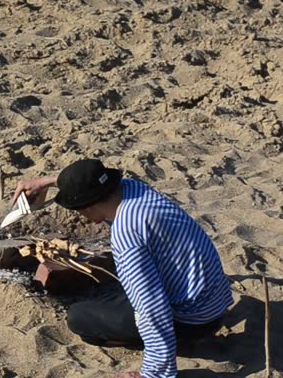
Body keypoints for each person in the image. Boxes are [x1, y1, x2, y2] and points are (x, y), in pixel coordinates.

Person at [13, 158, 233, 378]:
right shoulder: (133, 189)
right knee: (119, 293)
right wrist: (48, 182)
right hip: (215, 302)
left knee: (79, 318)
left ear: (88, 207)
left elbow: (152, 309)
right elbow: (90, 182)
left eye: (78, 209)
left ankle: (171, 345)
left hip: (194, 321)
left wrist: (153, 374)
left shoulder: (126, 234)